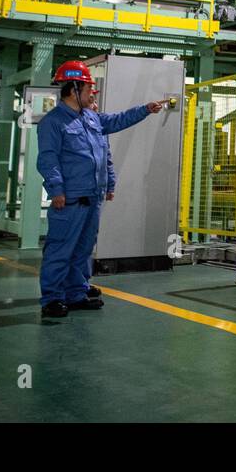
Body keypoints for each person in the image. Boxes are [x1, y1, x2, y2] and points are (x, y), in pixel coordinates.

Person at [35, 60, 166, 318]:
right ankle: (51, 298)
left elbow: (117, 121)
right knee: (61, 249)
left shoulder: (91, 118)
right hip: (70, 199)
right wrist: (57, 190)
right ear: (73, 90)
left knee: (83, 250)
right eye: (88, 90)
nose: (91, 94)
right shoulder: (53, 122)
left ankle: (75, 293)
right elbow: (48, 160)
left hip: (93, 198)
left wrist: (144, 110)